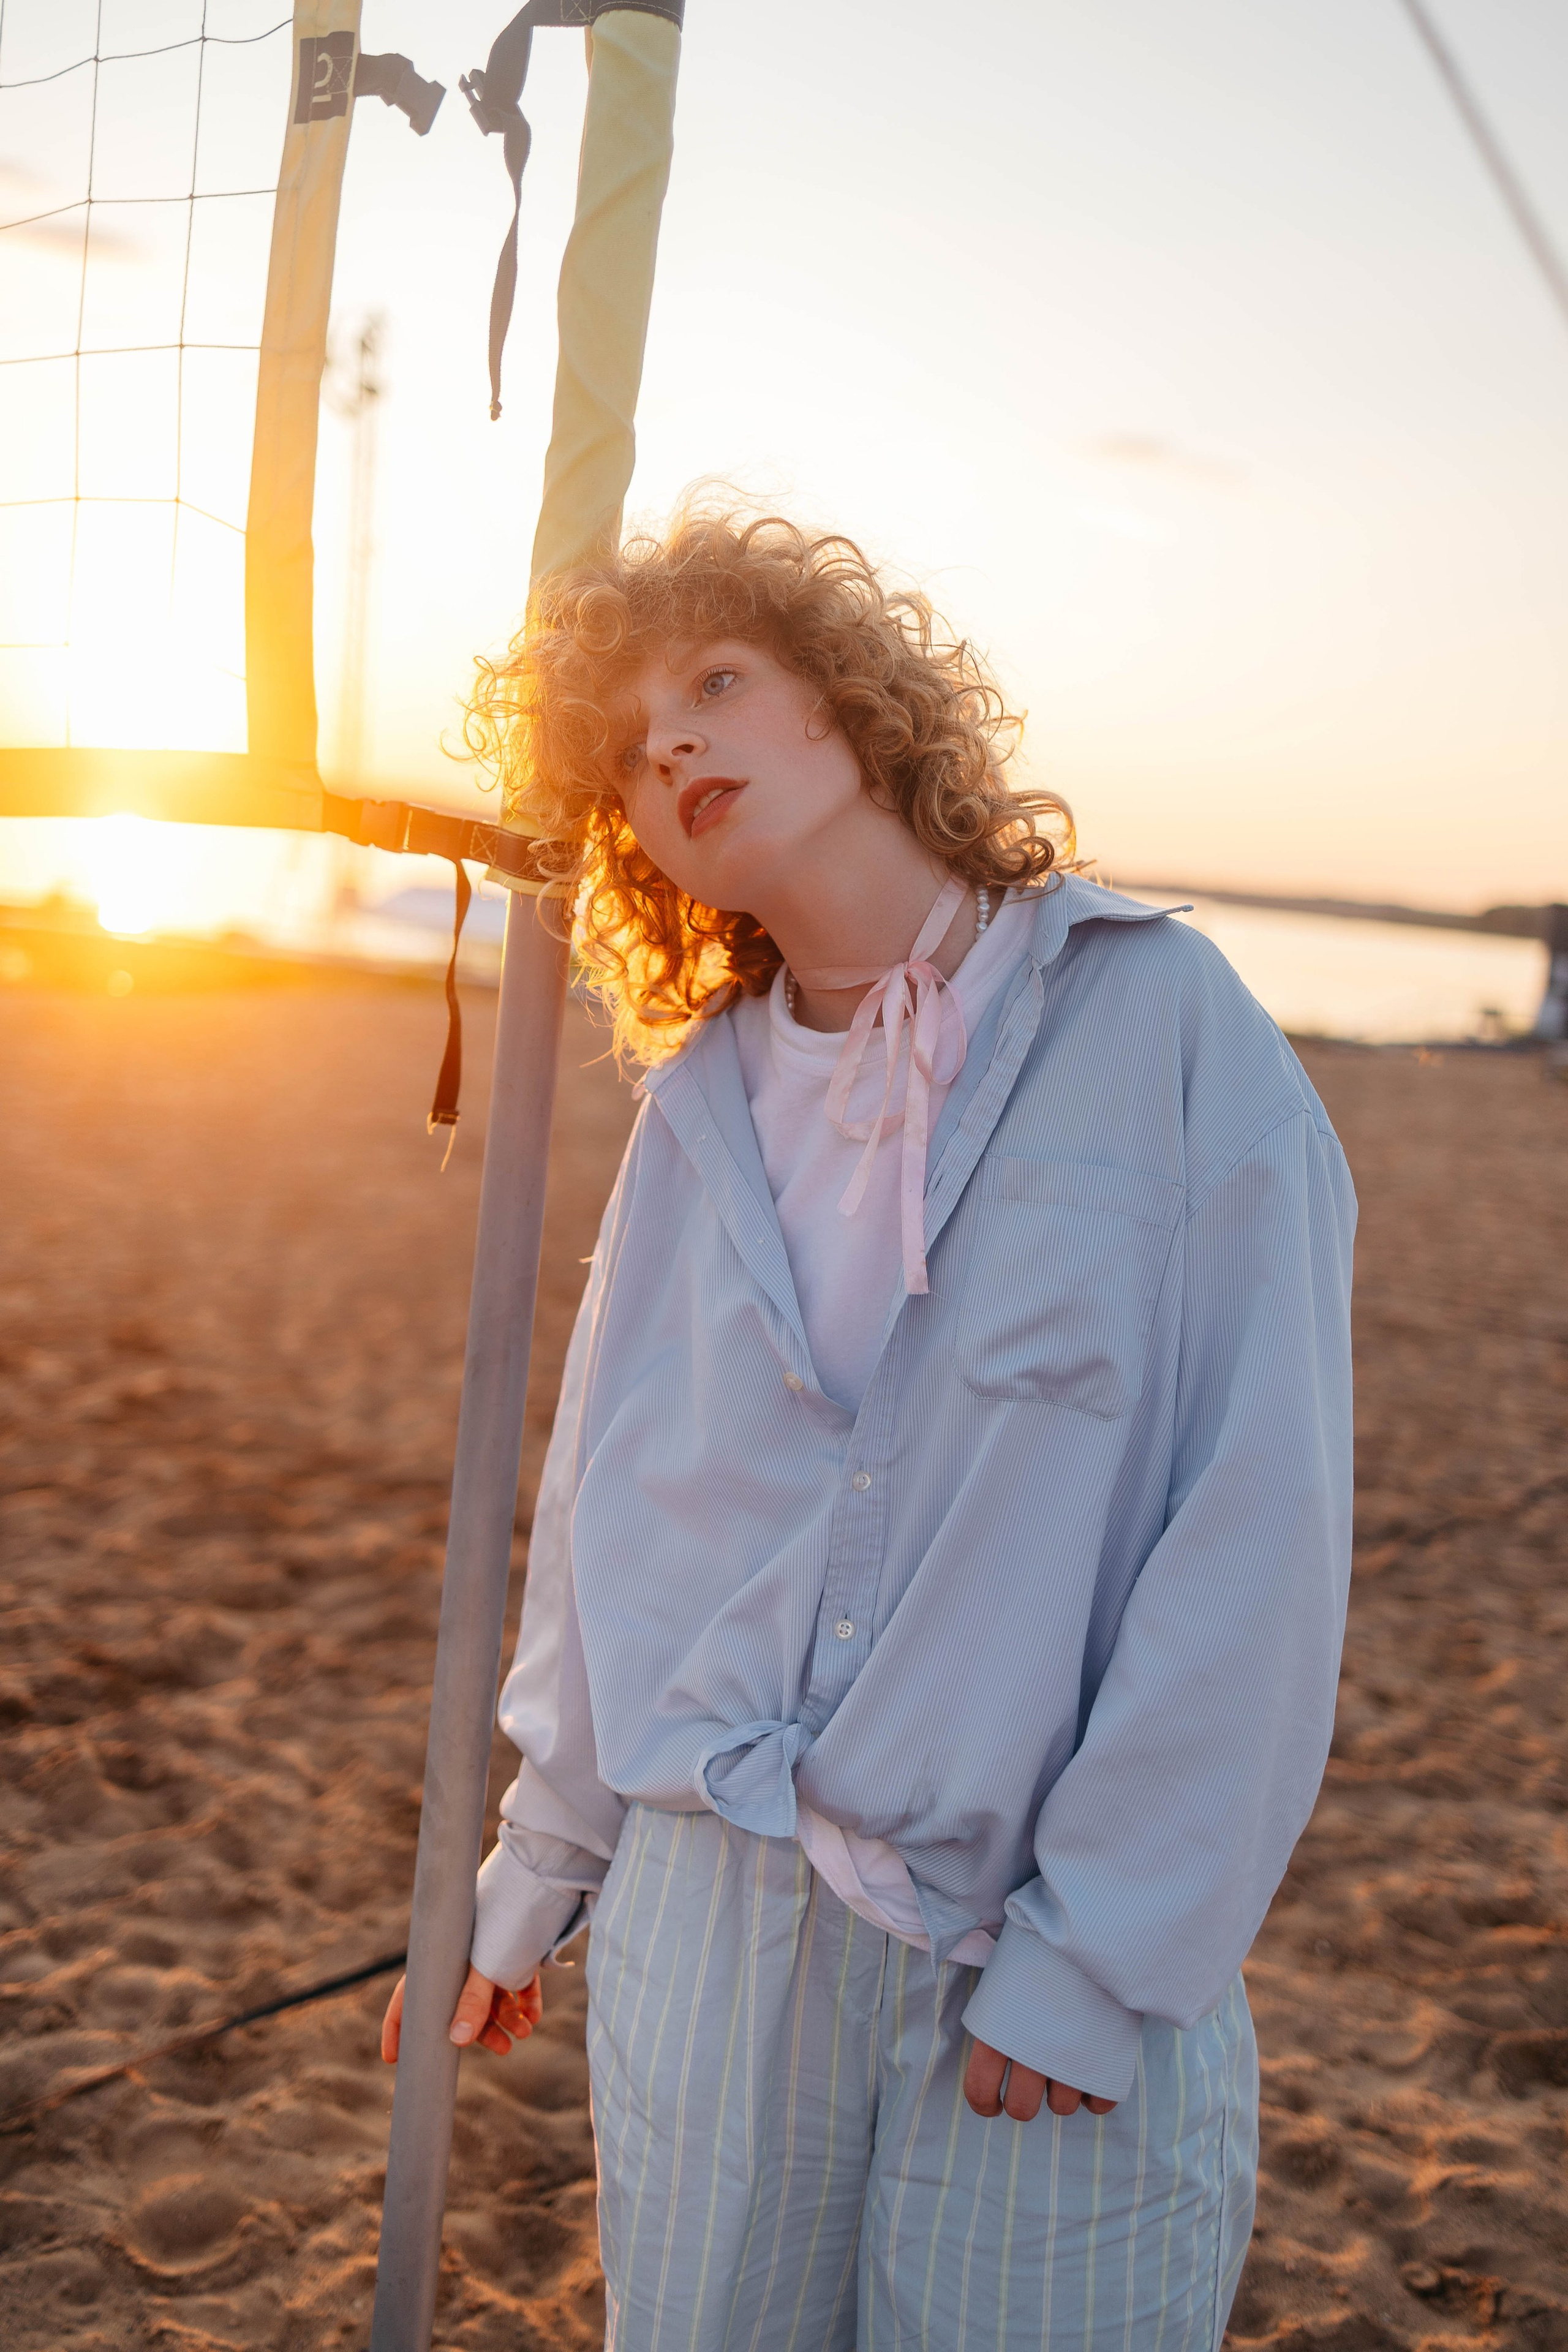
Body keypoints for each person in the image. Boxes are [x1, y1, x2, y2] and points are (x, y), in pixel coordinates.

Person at [382, 508, 1356, 2348]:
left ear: (860, 704)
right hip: (703, 1927)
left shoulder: (1167, 1028)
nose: (668, 745)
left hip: (1028, 1942)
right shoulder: (697, 1111)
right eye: (627, 748)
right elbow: (617, 1510)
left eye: (717, 685)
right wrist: (543, 1864)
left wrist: (1101, 1954)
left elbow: (1261, 1529)